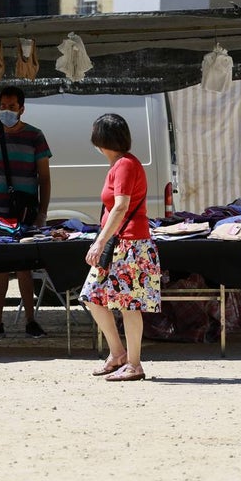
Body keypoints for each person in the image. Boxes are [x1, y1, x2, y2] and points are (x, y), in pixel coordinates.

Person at [79, 113, 161, 382]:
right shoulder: (122, 164)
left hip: (130, 243)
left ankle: (134, 364)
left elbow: (121, 206)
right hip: (121, 243)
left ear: (101, 139)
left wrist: (100, 241)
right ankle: (118, 354)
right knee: (92, 297)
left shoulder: (124, 165)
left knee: (129, 305)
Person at [0, 85, 52, 338]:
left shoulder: (35, 136)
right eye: (3, 106)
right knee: (0, 268)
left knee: (24, 266)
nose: (6, 110)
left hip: (25, 214)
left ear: (22, 109)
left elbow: (44, 178)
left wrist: (42, 213)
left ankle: (31, 320)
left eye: (12, 107)